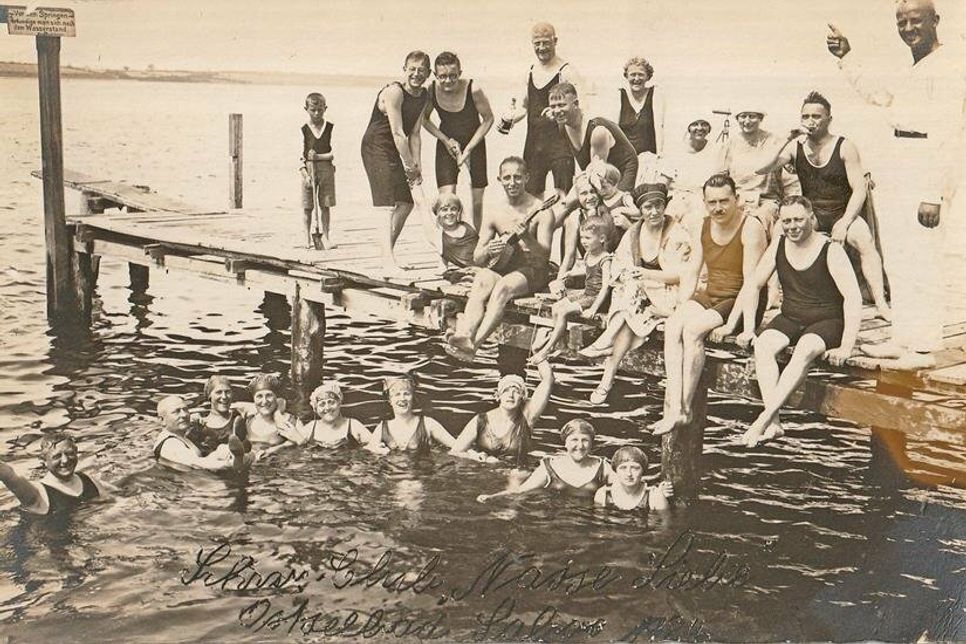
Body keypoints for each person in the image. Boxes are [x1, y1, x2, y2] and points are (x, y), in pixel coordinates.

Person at [827, 0, 964, 368]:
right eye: (901, 22)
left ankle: (922, 348)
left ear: (935, 20)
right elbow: (880, 95)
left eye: (915, 20)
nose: (907, 28)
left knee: (923, 258)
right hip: (900, 159)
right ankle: (903, 336)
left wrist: (933, 194)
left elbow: (950, 134)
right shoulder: (913, 68)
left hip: (925, 164)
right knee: (900, 259)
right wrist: (847, 59)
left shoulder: (950, 65)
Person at [757, 91, 891, 321]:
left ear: (829, 119)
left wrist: (845, 222)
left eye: (816, 116)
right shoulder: (793, 147)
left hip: (841, 210)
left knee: (865, 240)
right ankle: (772, 294)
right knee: (780, 232)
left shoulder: (844, 146)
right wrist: (784, 140)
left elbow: (859, 189)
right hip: (812, 212)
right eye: (806, 116)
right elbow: (761, 168)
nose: (811, 121)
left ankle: (881, 303)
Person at [652, 173, 768, 436]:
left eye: (724, 201)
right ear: (704, 202)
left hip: (741, 299)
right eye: (712, 202)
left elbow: (751, 284)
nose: (718, 208)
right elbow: (693, 269)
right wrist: (682, 303)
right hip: (713, 293)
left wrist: (733, 326)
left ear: (736, 199)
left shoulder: (751, 227)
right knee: (673, 326)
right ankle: (675, 405)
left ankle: (684, 408)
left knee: (692, 331)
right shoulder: (702, 225)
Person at [741, 196, 862, 447]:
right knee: (763, 346)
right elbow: (753, 284)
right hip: (791, 316)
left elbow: (853, 297)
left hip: (827, 320)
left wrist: (846, 347)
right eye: (786, 221)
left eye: (798, 219)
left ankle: (762, 420)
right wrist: (749, 329)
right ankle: (774, 424)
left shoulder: (831, 249)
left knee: (806, 348)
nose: (792, 226)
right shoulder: (778, 245)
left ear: (811, 219)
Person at [582, 184, 692, 404]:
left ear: (665, 205)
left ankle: (605, 349)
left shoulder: (676, 233)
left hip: (672, 296)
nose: (653, 212)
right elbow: (619, 266)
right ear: (640, 209)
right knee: (628, 302)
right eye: (648, 207)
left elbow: (683, 276)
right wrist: (632, 275)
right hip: (640, 301)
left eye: (658, 206)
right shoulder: (634, 232)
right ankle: (607, 378)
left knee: (631, 294)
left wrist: (644, 274)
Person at [447, 157, 555, 358]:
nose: (512, 182)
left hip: (533, 269)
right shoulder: (495, 211)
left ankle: (475, 345)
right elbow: (478, 257)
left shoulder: (542, 210)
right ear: (499, 179)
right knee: (481, 281)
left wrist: (526, 237)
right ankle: (466, 335)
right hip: (505, 264)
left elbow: (544, 256)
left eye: (517, 177)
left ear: (527, 178)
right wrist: (489, 250)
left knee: (502, 288)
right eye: (507, 178)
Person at [360, 51, 431, 272]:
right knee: (386, 205)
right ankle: (388, 261)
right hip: (377, 146)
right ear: (404, 69)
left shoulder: (423, 95)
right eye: (412, 69)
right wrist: (408, 166)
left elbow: (416, 133)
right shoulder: (394, 92)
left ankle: (387, 254)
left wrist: (416, 166)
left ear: (428, 73)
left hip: (397, 149)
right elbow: (398, 133)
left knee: (407, 203)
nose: (416, 74)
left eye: (421, 70)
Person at [499, 22, 579, 198]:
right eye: (537, 43)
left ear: (555, 41)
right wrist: (510, 118)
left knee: (564, 196)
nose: (541, 48)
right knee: (531, 196)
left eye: (545, 42)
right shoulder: (530, 71)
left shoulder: (566, 71)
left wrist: (560, 116)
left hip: (561, 144)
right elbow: (524, 106)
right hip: (534, 144)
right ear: (532, 43)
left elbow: (579, 110)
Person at [422, 51, 494, 231]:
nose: (448, 81)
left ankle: (477, 242)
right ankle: (449, 245)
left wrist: (469, 149)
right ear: (435, 75)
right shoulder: (431, 90)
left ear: (460, 73)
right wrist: (445, 140)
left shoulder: (473, 89)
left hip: (475, 144)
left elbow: (488, 119)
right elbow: (424, 119)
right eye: (443, 76)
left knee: (477, 201)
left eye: (453, 76)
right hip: (448, 144)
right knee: (446, 201)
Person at [532, 216, 613, 364]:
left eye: (588, 238)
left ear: (601, 238)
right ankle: (560, 345)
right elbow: (588, 270)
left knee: (563, 311)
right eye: (582, 238)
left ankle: (546, 349)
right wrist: (571, 273)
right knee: (556, 307)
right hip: (587, 294)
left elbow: (605, 287)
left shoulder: (605, 259)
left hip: (597, 299)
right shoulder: (589, 254)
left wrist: (594, 309)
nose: (583, 241)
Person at [476, 419, 611, 502]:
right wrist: (492, 497)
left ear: (591, 444)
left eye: (585, 440)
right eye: (574, 440)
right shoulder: (549, 466)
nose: (580, 446)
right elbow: (521, 490)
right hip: (555, 521)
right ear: (565, 443)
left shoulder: (602, 466)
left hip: (590, 522)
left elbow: (626, 488)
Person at [450, 360, 554, 464]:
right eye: (506, 390)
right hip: (483, 473)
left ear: (523, 397)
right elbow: (455, 452)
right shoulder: (480, 420)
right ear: (497, 396)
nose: (510, 395)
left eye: (516, 391)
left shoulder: (528, 417)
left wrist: (539, 354)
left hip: (515, 474)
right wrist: (478, 458)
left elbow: (548, 380)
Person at [549, 82, 639, 191]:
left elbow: (596, 175)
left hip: (623, 171)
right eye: (553, 106)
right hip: (600, 173)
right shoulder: (563, 126)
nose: (557, 111)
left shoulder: (597, 130)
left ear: (576, 104)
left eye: (562, 105)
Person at [724, 107, 796, 234]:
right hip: (738, 199)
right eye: (743, 116)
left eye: (752, 116)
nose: (747, 121)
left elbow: (789, 169)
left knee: (753, 227)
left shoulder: (773, 140)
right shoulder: (731, 143)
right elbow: (722, 175)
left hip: (766, 200)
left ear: (760, 118)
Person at [0, 433, 110, 515]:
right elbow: (9, 475)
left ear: (76, 452)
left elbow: (113, 500)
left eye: (69, 453)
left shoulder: (87, 480)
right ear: (43, 460)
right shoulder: (38, 494)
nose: (65, 460)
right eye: (57, 456)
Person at [662, 116, 727, 234]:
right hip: (677, 197)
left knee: (697, 227)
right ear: (688, 127)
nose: (700, 128)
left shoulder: (718, 150)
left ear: (709, 128)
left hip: (703, 199)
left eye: (704, 124)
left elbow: (720, 182)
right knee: (668, 226)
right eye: (695, 124)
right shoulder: (675, 149)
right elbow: (664, 182)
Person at [153, 395, 249, 472]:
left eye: (185, 409)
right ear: (162, 420)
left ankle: (235, 454)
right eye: (176, 412)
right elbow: (197, 463)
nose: (184, 415)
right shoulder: (171, 444)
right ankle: (237, 459)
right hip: (193, 487)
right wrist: (229, 464)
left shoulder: (176, 435)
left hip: (190, 478)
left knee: (222, 449)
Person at [366, 376, 456, 453]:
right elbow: (368, 451)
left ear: (413, 397)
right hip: (392, 473)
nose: (402, 398)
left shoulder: (428, 424)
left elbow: (456, 446)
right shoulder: (382, 427)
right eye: (397, 394)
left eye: (406, 394)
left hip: (422, 472)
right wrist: (376, 451)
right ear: (390, 400)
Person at [555, 171, 618, 281]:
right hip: (586, 270)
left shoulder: (608, 212)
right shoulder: (575, 217)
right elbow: (569, 256)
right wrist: (558, 281)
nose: (590, 197)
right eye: (584, 193)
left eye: (593, 192)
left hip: (609, 266)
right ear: (577, 197)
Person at [299, 92, 336, 250]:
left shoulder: (330, 128)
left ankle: (326, 237)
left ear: (325, 108)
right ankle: (307, 238)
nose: (316, 113)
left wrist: (318, 156)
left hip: (326, 171)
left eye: (320, 110)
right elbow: (300, 157)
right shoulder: (303, 130)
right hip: (309, 171)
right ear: (306, 109)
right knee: (308, 207)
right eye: (313, 110)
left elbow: (332, 154)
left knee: (325, 205)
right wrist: (305, 175)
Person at [291, 381, 374, 449]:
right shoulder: (310, 428)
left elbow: (374, 446)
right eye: (322, 404)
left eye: (331, 402)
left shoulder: (354, 426)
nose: (327, 408)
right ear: (315, 409)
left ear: (339, 403)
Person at [594, 446, 673, 511]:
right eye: (623, 468)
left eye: (635, 468)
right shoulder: (603, 494)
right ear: (615, 470)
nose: (629, 474)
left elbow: (666, 527)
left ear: (643, 471)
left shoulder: (655, 496)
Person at [616, 57, 666, 157]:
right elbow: (613, 130)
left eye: (641, 74)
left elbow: (661, 127)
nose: (637, 78)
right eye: (633, 74)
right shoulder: (619, 96)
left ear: (648, 77)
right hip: (624, 159)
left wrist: (660, 154)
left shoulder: (656, 94)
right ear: (626, 76)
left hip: (649, 158)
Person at [243, 374, 301, 455]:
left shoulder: (292, 422)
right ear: (253, 399)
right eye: (259, 396)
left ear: (276, 398)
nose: (265, 401)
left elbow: (304, 446)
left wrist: (274, 450)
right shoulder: (247, 421)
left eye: (269, 395)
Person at [430, 193, 479, 270]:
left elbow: (474, 204)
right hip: (478, 270)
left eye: (453, 209)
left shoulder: (468, 225)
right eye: (444, 209)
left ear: (458, 211)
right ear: (437, 213)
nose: (449, 213)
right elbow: (421, 205)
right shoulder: (438, 237)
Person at [598, 163, 640, 233]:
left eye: (604, 187)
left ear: (615, 183)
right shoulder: (601, 200)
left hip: (624, 234)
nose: (601, 191)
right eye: (598, 188)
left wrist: (622, 209)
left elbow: (638, 212)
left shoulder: (625, 197)